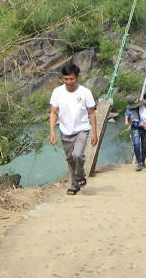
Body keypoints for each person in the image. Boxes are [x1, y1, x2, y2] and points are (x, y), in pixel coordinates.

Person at [49, 62, 97, 195]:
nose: (68, 82)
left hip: (82, 129)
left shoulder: (85, 92)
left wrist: (94, 133)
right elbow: (53, 112)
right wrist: (52, 131)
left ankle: (80, 174)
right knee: (71, 159)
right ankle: (74, 185)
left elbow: (92, 113)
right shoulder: (57, 92)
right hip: (65, 130)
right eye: (66, 79)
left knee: (77, 154)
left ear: (77, 77)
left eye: (71, 79)